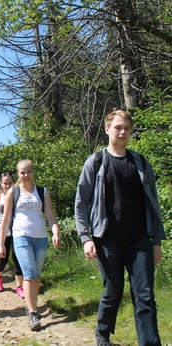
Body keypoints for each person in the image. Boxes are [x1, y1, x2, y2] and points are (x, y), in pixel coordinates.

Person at [75, 110, 165, 346]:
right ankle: (103, 331)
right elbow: (81, 203)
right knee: (113, 292)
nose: (123, 132)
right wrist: (86, 238)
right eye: (118, 127)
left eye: (126, 127)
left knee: (145, 297)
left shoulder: (141, 163)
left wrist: (156, 242)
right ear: (107, 129)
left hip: (139, 240)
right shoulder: (95, 162)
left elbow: (153, 203)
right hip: (107, 240)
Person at [0, 159, 60, 331]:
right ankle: (33, 313)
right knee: (30, 274)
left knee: (37, 276)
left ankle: (31, 303)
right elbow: (6, 220)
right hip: (21, 237)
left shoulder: (42, 192)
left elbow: (50, 216)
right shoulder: (13, 192)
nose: (26, 175)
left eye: (29, 172)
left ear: (33, 172)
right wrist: (2, 244)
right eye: (22, 172)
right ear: (18, 174)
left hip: (40, 238)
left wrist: (55, 232)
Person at [0, 172, 24, 297]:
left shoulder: (18, 196)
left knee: (17, 258)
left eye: (10, 183)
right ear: (1, 183)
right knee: (2, 258)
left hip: (17, 230)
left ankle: (19, 286)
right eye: (5, 183)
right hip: (2, 231)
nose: (8, 186)